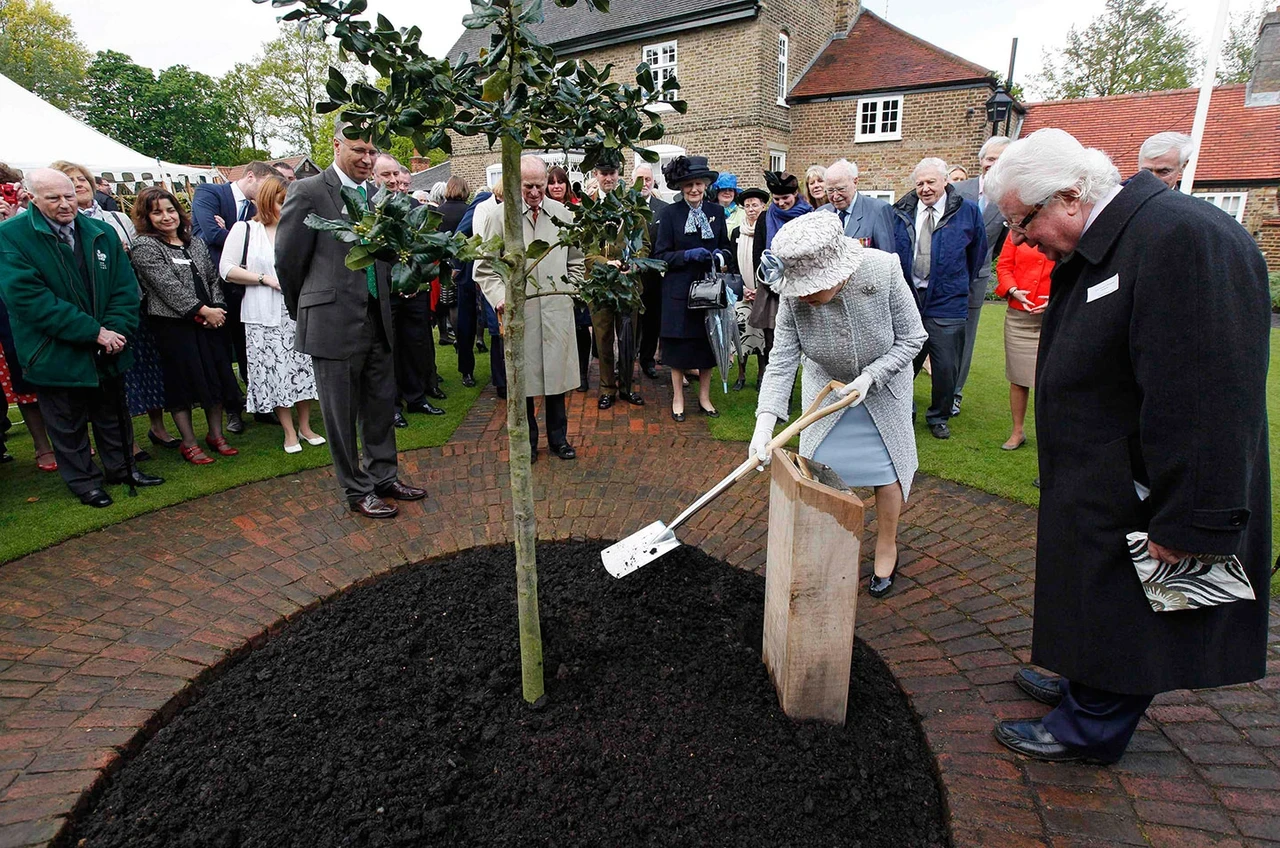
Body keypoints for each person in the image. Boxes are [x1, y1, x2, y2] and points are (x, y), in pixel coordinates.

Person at [984, 127, 1272, 764]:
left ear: (1068, 197)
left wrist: (1194, 517)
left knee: (1133, 605)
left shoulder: (1181, 240)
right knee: (1098, 592)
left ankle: (1091, 726)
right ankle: (1083, 677)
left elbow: (1210, 399)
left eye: (1023, 221)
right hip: (1105, 477)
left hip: (1144, 486)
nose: (1021, 240)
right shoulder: (1114, 242)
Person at [750, 212, 926, 596]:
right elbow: (781, 362)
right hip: (825, 398)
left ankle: (886, 543)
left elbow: (913, 339)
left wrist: (869, 377)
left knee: (887, 473)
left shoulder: (884, 269)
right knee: (819, 476)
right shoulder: (794, 296)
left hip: (883, 392)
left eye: (811, 288)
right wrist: (764, 425)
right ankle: (828, 546)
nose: (804, 296)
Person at [275, 119, 427, 518]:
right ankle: (357, 489)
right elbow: (288, 261)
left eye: (372, 152)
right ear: (336, 145)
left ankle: (383, 477)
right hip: (331, 322)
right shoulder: (308, 191)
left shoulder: (377, 197)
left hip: (378, 318)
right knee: (340, 414)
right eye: (359, 149)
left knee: (380, 405)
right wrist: (305, 309)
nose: (367, 158)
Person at [0, 169, 162, 507]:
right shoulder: (11, 236)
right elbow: (29, 300)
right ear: (31, 198)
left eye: (69, 196)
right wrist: (94, 332)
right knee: (66, 422)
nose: (64, 204)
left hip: (110, 345)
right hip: (53, 351)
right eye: (53, 198)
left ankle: (123, 468)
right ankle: (84, 481)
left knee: (113, 413)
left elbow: (124, 287)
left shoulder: (99, 231)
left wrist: (115, 330)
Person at [50, 160, 177, 453]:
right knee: (117, 379)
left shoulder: (117, 218)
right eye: (71, 180)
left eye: (82, 178)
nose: (79, 184)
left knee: (146, 368)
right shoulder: (64, 224)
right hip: (95, 312)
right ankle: (126, 442)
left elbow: (139, 255)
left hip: (133, 304)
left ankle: (158, 428)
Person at [474, 155, 583, 461]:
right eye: (527, 186)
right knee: (523, 382)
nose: (535, 192)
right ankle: (529, 442)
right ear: (514, 184)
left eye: (540, 185)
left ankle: (559, 439)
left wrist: (570, 293)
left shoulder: (562, 213)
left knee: (557, 380)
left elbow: (576, 261)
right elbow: (484, 268)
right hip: (519, 314)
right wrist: (500, 298)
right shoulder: (499, 217)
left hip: (556, 310)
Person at [130, 186, 242, 466]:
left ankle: (215, 436)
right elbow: (167, 286)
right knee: (183, 385)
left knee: (215, 378)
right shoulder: (145, 246)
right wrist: (202, 311)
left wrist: (217, 309)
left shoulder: (195, 243)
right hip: (174, 327)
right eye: (157, 212)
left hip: (210, 323)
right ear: (147, 217)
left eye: (170, 210)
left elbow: (213, 278)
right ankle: (189, 443)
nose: (167, 217)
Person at [219, 175, 323, 454]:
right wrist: (264, 278)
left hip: (297, 311)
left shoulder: (298, 230)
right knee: (276, 372)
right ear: (267, 200)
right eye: (281, 202)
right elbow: (226, 269)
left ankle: (306, 426)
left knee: (302, 369)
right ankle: (288, 431)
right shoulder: (246, 230)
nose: (286, 207)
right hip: (262, 314)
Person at [891, 157, 987, 440]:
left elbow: (977, 254)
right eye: (919, 183)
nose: (925, 188)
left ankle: (939, 416)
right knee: (904, 363)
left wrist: (953, 282)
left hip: (947, 301)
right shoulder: (901, 211)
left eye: (931, 181)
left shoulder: (968, 212)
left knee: (946, 366)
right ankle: (902, 411)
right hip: (909, 298)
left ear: (945, 181)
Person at [190, 160, 279, 434]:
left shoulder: (256, 209)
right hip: (214, 289)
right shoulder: (210, 193)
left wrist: (231, 231)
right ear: (250, 176)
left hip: (248, 290)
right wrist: (241, 232)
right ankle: (233, 409)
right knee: (220, 353)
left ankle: (262, 405)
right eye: (265, 187)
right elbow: (211, 234)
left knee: (249, 351)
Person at [653, 155, 736, 421]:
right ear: (681, 187)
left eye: (698, 184)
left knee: (707, 345)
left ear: (705, 185)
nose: (694, 189)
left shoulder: (715, 212)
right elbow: (661, 255)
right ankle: (678, 397)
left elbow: (726, 246)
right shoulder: (669, 214)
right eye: (688, 184)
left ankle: (704, 397)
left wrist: (721, 257)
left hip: (709, 290)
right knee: (679, 347)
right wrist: (687, 256)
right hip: (678, 291)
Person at [374, 154, 445, 426]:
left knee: (416, 345)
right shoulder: (370, 209)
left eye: (395, 175)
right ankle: (392, 406)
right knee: (389, 351)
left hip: (415, 290)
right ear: (375, 178)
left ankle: (416, 398)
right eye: (386, 176)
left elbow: (425, 247)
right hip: (386, 293)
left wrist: (414, 281)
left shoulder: (416, 206)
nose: (393, 180)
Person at [952, 135, 1011, 417]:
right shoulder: (957, 189)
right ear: (981, 161)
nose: (994, 165)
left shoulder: (1009, 198)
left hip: (976, 279)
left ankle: (954, 394)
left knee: (966, 338)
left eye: (1001, 160)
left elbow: (999, 244)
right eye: (990, 159)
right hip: (944, 277)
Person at [584, 154, 645, 409]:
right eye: (603, 173)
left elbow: (645, 243)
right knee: (604, 338)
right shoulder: (589, 207)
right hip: (600, 286)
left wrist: (634, 263)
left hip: (628, 283)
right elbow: (586, 250)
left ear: (619, 174)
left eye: (612, 173)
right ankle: (607, 388)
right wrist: (605, 264)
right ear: (596, 175)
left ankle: (627, 387)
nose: (608, 178)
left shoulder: (632, 204)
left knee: (628, 338)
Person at [749, 170, 812, 382]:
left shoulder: (808, 217)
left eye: (786, 198)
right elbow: (758, 253)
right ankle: (770, 384)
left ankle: (790, 388)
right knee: (772, 341)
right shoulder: (765, 217)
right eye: (777, 199)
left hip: (799, 286)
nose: (781, 203)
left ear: (796, 194)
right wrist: (767, 280)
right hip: (771, 287)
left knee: (795, 343)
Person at [993, 239, 1050, 451]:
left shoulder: (1055, 230)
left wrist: (1056, 296)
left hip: (1052, 315)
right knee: (1018, 379)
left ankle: (1050, 436)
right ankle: (1017, 431)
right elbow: (1004, 266)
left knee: (1049, 381)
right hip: (1019, 316)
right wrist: (1013, 289)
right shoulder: (1016, 231)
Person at [453, 182, 503, 392]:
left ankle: (501, 378)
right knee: (471, 323)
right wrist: (457, 265)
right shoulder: (482, 204)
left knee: (495, 324)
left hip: (499, 270)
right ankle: (467, 370)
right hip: (473, 271)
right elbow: (461, 234)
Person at [729, 186, 769, 390]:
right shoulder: (737, 232)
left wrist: (760, 288)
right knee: (741, 334)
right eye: (747, 205)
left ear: (763, 206)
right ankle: (741, 374)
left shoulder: (767, 229)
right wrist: (743, 287)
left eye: (755, 205)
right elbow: (733, 263)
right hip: (742, 293)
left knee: (762, 336)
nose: (751, 209)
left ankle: (762, 374)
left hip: (763, 292)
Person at [634, 162, 668, 379]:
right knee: (629, 323)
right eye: (640, 179)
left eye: (648, 179)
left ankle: (647, 360)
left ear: (653, 181)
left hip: (654, 277)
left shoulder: (663, 209)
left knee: (651, 322)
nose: (644, 183)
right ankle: (625, 361)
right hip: (629, 275)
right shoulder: (622, 206)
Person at [818, 159, 895, 250]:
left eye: (841, 189)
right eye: (830, 190)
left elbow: (887, 258)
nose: (835, 196)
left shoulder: (878, 211)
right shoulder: (821, 214)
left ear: (855, 182)